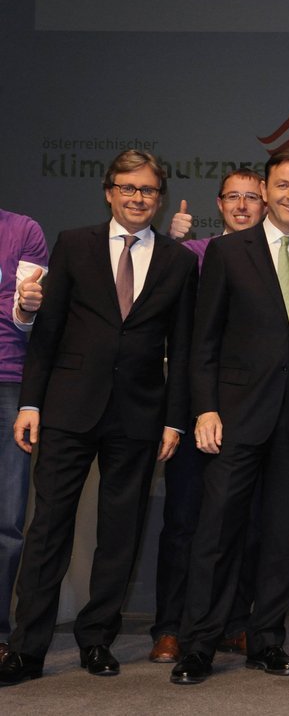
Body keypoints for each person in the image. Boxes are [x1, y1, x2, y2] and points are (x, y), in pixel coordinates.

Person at [0, 151, 198, 686]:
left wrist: (175, 420)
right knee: (48, 528)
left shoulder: (178, 262)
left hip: (140, 414)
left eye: (148, 190)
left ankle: (96, 640)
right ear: (109, 192)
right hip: (67, 407)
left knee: (120, 532)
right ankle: (27, 648)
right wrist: (31, 403)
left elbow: (182, 348)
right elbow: (48, 330)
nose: (138, 198)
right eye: (128, 188)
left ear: (160, 198)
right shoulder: (74, 243)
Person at [170, 147, 289, 685]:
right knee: (217, 532)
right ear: (267, 191)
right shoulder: (227, 252)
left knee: (282, 536)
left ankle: (267, 640)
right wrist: (205, 407)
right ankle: (198, 645)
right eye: (284, 185)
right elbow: (204, 340)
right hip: (235, 417)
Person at [148, 169, 267, 665]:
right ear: (219, 204)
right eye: (233, 197)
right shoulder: (192, 254)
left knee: (245, 524)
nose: (242, 206)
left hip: (252, 412)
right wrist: (169, 243)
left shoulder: (280, 261)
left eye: (251, 198)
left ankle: (232, 623)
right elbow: (153, 297)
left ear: (266, 204)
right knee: (184, 520)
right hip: (197, 405)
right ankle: (171, 628)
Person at [0, 209, 48, 665]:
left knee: (7, 520)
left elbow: (24, 316)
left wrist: (28, 307)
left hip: (8, 379)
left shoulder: (22, 230)